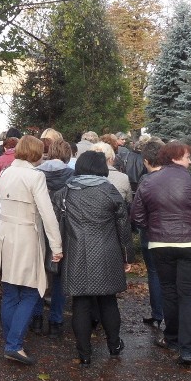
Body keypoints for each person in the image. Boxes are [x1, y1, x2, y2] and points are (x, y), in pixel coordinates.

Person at [131, 141, 191, 366]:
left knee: (168, 291)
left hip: (160, 243)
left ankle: (172, 338)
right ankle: (187, 350)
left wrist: (154, 228)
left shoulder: (148, 182)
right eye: (187, 156)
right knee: (188, 294)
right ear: (176, 157)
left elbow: (136, 216)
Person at [52, 151, 133, 367]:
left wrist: (56, 251)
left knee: (81, 302)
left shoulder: (64, 193)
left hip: (76, 252)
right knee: (108, 300)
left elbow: (56, 225)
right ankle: (114, 345)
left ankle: (84, 354)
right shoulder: (110, 192)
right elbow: (123, 226)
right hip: (107, 253)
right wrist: (127, 255)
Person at [0, 135, 62, 365]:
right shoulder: (35, 176)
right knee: (31, 291)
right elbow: (48, 214)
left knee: (10, 292)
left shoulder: (7, 171)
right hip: (27, 237)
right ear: (36, 153)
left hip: (5, 236)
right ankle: (14, 344)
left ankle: (11, 340)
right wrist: (56, 246)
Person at [31, 138, 74, 336]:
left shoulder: (37, 174)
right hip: (64, 229)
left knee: (39, 274)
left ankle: (37, 317)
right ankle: (56, 321)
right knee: (59, 277)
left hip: (38, 227)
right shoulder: (72, 176)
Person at [134, 139, 166, 328]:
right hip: (174, 234)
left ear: (146, 160)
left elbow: (138, 212)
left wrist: (143, 227)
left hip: (151, 233)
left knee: (154, 273)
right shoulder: (177, 177)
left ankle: (158, 313)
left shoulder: (146, 180)